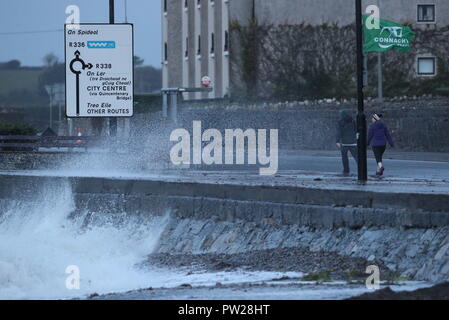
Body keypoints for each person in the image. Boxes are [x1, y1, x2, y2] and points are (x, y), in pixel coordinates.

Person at [336, 110, 358, 176]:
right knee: (356, 156)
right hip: (353, 142)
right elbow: (356, 130)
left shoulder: (340, 122)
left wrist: (337, 141)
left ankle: (346, 170)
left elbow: (339, 132)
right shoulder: (353, 121)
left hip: (344, 142)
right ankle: (360, 168)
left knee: (344, 157)